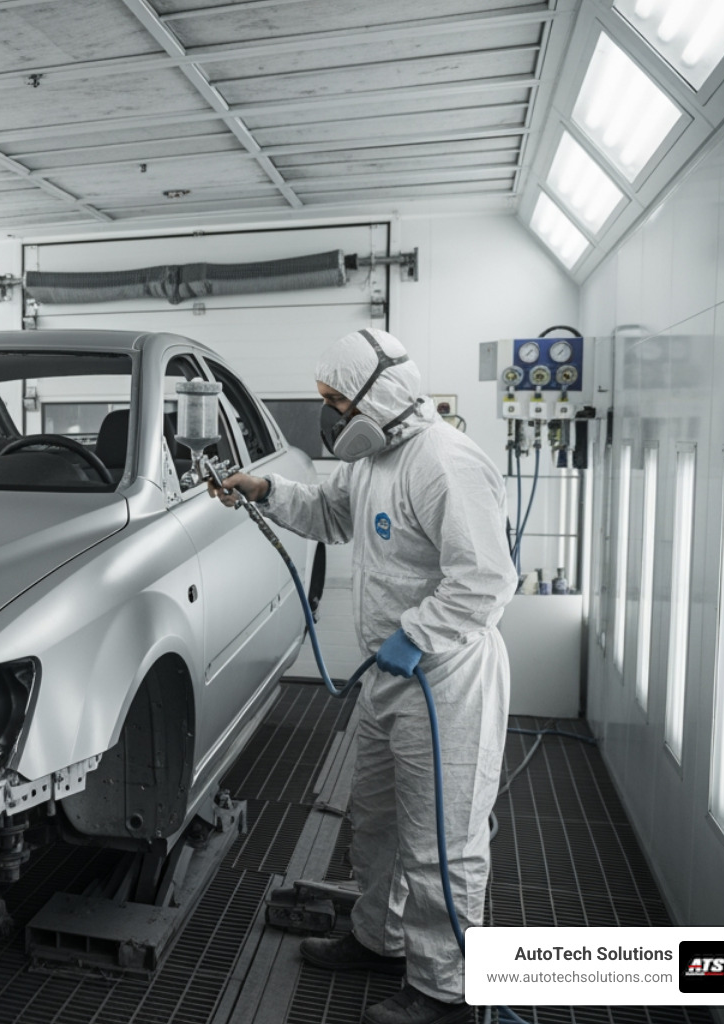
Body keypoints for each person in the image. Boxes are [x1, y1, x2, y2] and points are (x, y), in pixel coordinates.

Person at [210, 328, 516, 1024]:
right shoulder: (373, 457)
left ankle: (444, 989)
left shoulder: (445, 463)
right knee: (375, 823)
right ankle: (381, 940)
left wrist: (417, 635)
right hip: (389, 673)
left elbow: (486, 580)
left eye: (335, 401)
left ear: (378, 395)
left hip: (446, 679)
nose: (329, 415)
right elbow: (330, 513)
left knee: (441, 840)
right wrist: (265, 488)